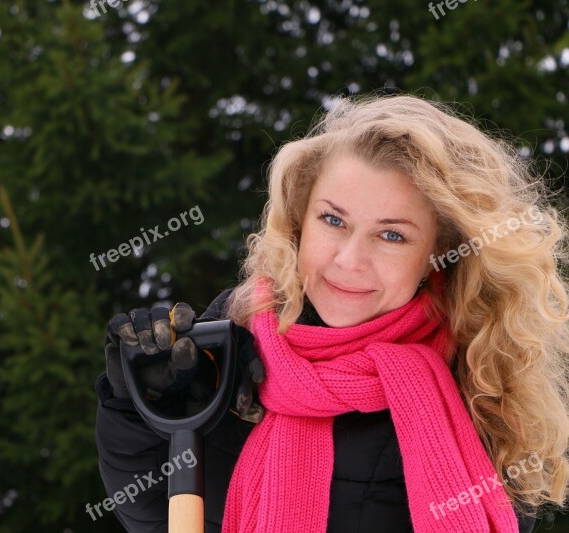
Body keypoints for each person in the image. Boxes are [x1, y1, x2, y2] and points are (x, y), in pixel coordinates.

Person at [94, 94, 569, 532]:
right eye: (334, 220)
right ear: (300, 220)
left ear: (438, 252)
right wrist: (136, 408)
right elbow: (157, 518)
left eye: (392, 235)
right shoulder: (230, 337)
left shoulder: (479, 381)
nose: (349, 261)